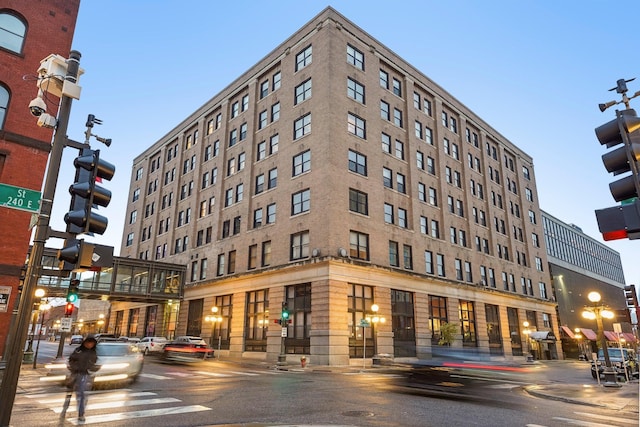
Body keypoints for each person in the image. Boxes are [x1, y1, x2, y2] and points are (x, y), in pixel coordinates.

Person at [67, 335, 98, 422]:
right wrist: (75, 367)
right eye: (89, 342)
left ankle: (81, 413)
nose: (90, 345)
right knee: (77, 392)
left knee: (82, 395)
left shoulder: (93, 352)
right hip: (76, 373)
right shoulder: (78, 350)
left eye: (92, 343)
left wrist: (92, 368)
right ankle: (68, 398)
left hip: (85, 374)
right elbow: (71, 360)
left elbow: (94, 362)